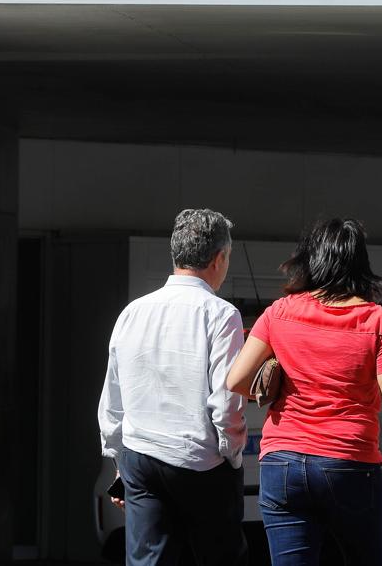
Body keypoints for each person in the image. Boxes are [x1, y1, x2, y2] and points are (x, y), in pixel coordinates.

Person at [225, 218, 382, 566]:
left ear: (312, 260)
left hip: (282, 462)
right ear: (359, 264)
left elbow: (236, 381)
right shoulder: (378, 322)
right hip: (349, 465)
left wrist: (278, 382)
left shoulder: (279, 313)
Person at [98, 208, 249, 566]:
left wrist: (120, 461)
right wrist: (232, 454)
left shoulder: (133, 311)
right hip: (200, 460)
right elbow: (227, 401)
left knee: (148, 560)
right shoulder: (220, 313)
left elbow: (113, 396)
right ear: (219, 257)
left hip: (139, 456)